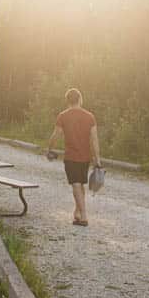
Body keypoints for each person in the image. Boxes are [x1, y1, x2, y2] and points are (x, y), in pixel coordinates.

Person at [45, 87, 100, 227]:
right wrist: (97, 160)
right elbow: (94, 139)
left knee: (76, 184)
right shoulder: (90, 116)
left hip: (71, 157)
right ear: (80, 99)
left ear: (67, 101)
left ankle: (84, 216)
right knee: (80, 184)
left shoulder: (63, 116)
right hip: (85, 157)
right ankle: (77, 212)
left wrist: (49, 148)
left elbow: (56, 134)